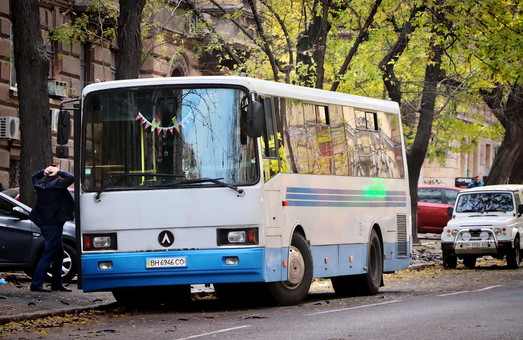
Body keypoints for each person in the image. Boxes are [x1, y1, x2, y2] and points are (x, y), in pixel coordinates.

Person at [29, 165, 74, 292]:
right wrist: (58, 171)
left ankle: (56, 283)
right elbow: (71, 177)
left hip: (45, 222)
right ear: (55, 175)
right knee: (49, 255)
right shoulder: (57, 185)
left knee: (59, 254)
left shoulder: (39, 184)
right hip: (54, 223)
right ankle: (36, 284)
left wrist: (43, 171)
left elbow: (34, 176)